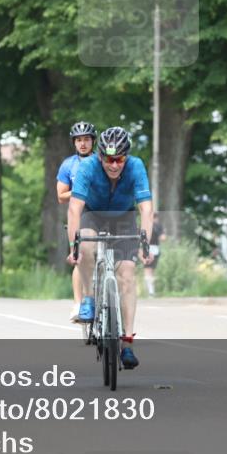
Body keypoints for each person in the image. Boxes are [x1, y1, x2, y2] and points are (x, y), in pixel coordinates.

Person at [67, 126, 154, 370]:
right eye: (108, 159)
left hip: (123, 218)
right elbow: (74, 208)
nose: (114, 165)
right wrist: (73, 246)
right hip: (93, 215)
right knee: (85, 247)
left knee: (127, 273)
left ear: (127, 156)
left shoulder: (136, 166)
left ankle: (127, 343)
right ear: (99, 156)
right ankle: (89, 297)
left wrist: (145, 244)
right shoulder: (88, 167)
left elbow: (146, 208)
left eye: (120, 159)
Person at [57, 121, 96, 321]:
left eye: (86, 139)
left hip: (101, 212)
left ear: (93, 141)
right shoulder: (68, 164)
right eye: (79, 140)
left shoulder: (102, 161)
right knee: (81, 259)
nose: (83, 143)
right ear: (74, 143)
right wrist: (80, 191)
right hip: (80, 214)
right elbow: (61, 195)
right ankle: (78, 303)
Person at [143, 212, 165, 298]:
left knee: (147, 270)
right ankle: (151, 291)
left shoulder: (144, 225)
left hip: (146, 248)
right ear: (156, 218)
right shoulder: (158, 225)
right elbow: (163, 238)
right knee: (151, 270)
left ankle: (150, 292)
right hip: (155, 249)